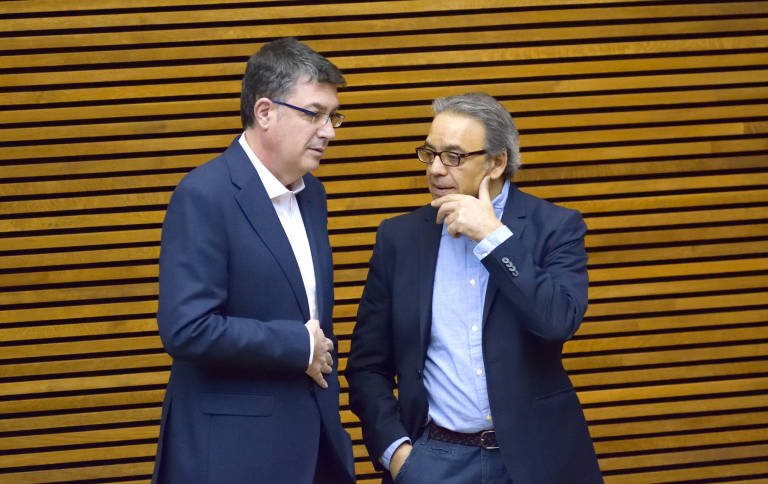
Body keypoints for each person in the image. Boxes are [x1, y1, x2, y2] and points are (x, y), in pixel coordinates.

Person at [347, 92, 603, 483]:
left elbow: (556, 322)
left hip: (539, 458)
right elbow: (367, 365)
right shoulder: (400, 238)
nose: (436, 169)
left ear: (497, 162)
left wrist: (493, 238)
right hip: (435, 461)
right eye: (430, 154)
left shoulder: (555, 227)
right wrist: (399, 455)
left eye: (453, 156)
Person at [152, 37, 355, 484]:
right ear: (265, 112)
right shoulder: (204, 195)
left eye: (333, 116)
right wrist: (297, 345)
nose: (329, 131)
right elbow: (187, 328)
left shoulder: (312, 194)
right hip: (233, 456)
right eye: (314, 114)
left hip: (315, 449)